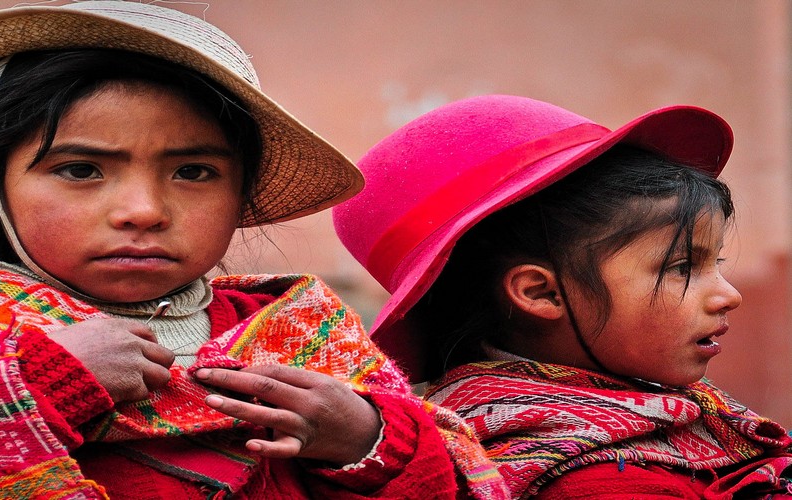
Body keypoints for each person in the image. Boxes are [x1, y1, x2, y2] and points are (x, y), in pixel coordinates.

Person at [0, 3, 508, 498]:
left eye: (194, 172)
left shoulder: (301, 332)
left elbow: (464, 480)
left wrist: (367, 440)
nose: (145, 211)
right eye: (82, 170)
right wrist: (43, 381)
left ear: (242, 193)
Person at [333, 94, 792, 498]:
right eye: (681, 267)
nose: (728, 296)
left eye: (719, 264)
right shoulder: (598, 481)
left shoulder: (663, 420)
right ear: (541, 292)